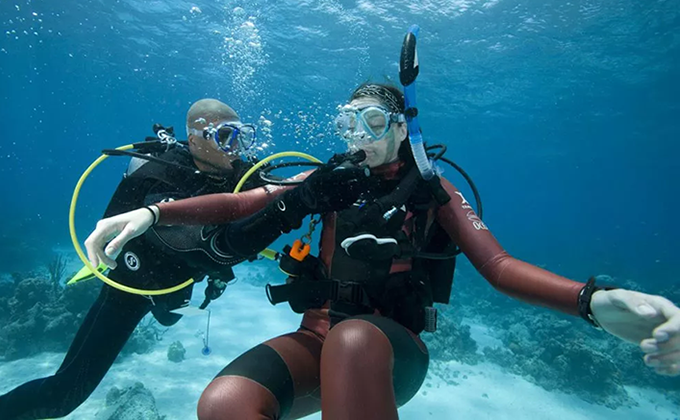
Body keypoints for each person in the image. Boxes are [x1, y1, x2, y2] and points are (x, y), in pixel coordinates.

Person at [83, 84, 680, 420]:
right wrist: (153, 212)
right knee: (224, 404)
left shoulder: (430, 189)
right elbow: (245, 204)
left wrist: (592, 301)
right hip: (317, 339)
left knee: (355, 337)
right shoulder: (331, 179)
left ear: (402, 126)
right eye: (349, 123)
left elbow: (498, 269)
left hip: (391, 351)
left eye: (373, 121)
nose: (359, 136)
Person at [0, 99, 264, 420]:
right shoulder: (158, 175)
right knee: (64, 394)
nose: (236, 148)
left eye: (241, 136)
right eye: (225, 137)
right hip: (132, 284)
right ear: (194, 140)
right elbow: (136, 232)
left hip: (178, 279)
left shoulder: (242, 175)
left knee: (169, 318)